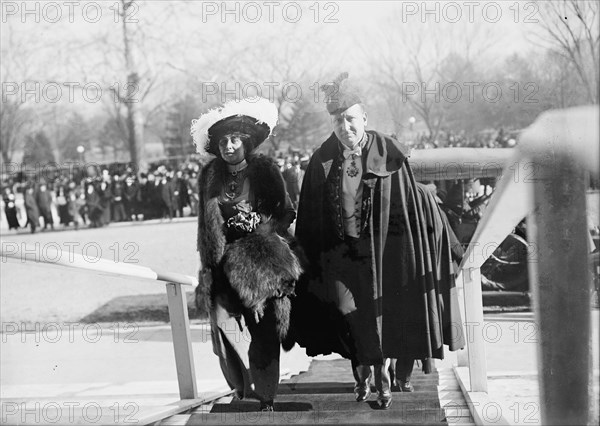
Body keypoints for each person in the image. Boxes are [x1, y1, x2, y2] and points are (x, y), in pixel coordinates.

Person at [291, 73, 465, 409]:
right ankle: (364, 371)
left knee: (381, 314)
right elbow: (310, 215)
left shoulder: (387, 153)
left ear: (364, 119)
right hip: (341, 254)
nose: (345, 127)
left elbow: (408, 203)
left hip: (383, 253)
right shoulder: (322, 159)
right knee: (345, 311)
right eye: (338, 121)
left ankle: (380, 377)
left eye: (351, 119)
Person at [191, 97, 301, 412]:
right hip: (224, 263)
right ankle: (242, 384)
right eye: (223, 141)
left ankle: (266, 396)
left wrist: (260, 221)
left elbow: (285, 212)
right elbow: (206, 225)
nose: (229, 146)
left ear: (246, 142)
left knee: (264, 331)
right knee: (222, 325)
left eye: (235, 139)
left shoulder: (264, 169)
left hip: (262, 260)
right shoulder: (210, 176)